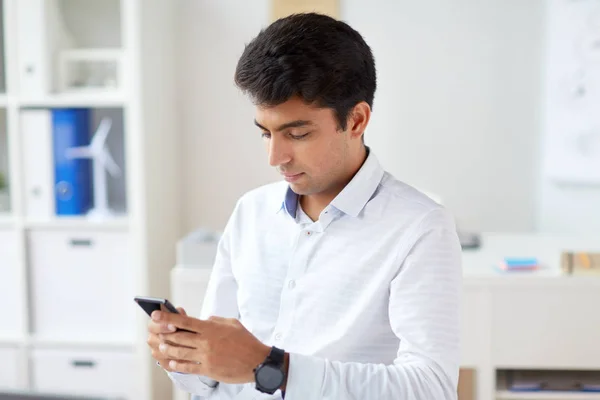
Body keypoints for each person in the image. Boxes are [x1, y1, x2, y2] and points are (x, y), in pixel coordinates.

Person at [147, 12, 462, 400]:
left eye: (297, 134)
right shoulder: (251, 213)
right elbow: (216, 381)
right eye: (265, 133)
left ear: (357, 120)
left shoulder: (419, 227)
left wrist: (273, 368)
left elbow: (430, 389)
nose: (275, 157)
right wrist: (185, 356)